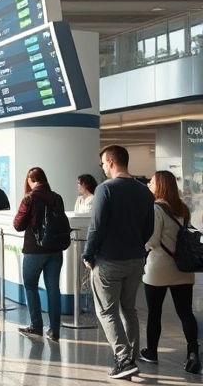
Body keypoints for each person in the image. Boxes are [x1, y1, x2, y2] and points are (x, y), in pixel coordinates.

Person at [83, 145, 155, 380]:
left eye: (103, 163)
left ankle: (123, 361)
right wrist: (135, 245)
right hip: (135, 259)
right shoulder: (145, 191)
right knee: (129, 309)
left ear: (112, 162)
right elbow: (148, 229)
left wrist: (88, 253)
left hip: (108, 260)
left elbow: (97, 226)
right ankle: (131, 358)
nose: (103, 167)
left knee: (107, 310)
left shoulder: (106, 189)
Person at [140, 170, 200, 373]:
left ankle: (151, 353)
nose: (149, 184)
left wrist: (142, 244)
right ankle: (193, 353)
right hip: (183, 268)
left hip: (159, 269)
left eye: (152, 182)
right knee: (185, 313)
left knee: (154, 313)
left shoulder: (156, 208)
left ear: (161, 185)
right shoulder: (183, 208)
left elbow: (153, 240)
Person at [12, 167, 64, 341]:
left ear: (30, 180)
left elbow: (18, 225)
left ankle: (36, 326)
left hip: (35, 250)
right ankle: (54, 330)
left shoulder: (29, 199)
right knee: (53, 289)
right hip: (55, 250)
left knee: (31, 286)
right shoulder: (57, 197)